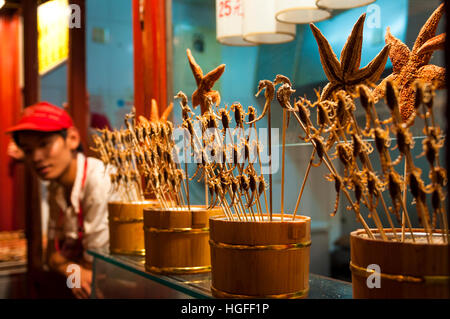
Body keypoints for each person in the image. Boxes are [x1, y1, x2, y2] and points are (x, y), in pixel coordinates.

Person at [6, 102, 116, 299]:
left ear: (72, 139)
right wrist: (71, 272)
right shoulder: (56, 187)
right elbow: (51, 259)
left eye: (44, 144)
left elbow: (93, 274)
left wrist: (66, 267)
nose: (36, 158)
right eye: (28, 150)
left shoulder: (98, 180)